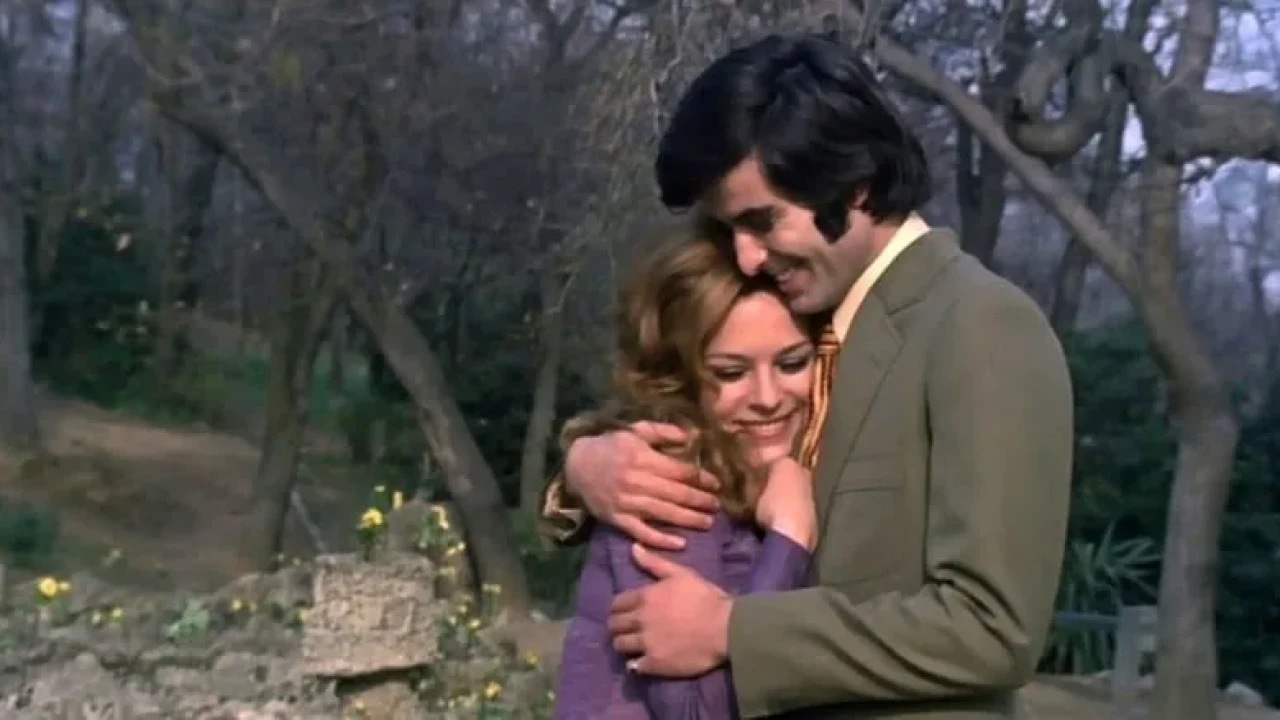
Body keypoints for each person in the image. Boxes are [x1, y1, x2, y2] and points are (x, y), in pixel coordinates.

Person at [541, 32, 1074, 719]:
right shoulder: (803, 313)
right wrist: (583, 471)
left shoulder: (978, 324)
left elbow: (992, 627)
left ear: (853, 184)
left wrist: (732, 631)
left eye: (762, 222)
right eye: (730, 229)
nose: (747, 256)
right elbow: (692, 436)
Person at [554, 229, 819, 719]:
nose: (767, 398)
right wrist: (790, 538)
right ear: (682, 378)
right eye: (731, 373)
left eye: (792, 363)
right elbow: (697, 712)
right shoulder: (667, 480)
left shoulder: (778, 464)